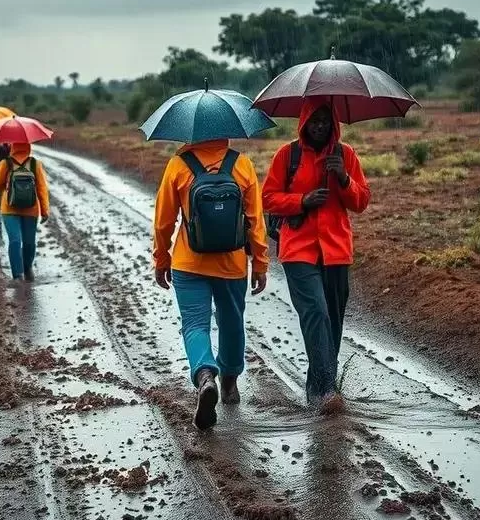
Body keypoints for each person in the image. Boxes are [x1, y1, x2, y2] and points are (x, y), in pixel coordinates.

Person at [153, 138, 268, 430]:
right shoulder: (241, 165)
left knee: (194, 325)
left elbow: (164, 221)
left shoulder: (178, 165)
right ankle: (229, 382)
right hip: (232, 265)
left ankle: (205, 375)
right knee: (231, 321)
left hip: (188, 263)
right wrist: (260, 262)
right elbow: (255, 219)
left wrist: (161, 258)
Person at [262, 100, 370, 408]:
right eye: (314, 120)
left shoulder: (346, 155)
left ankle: (318, 387)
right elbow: (268, 198)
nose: (319, 126)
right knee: (317, 314)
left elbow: (361, 201)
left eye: (325, 121)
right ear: (304, 122)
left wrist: (344, 179)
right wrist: (303, 200)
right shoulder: (288, 155)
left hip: (336, 250)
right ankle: (326, 391)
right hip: (298, 248)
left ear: (334, 124)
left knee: (333, 321)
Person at [0, 143, 50, 282]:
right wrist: (45, 210)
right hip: (31, 209)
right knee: (29, 242)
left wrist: (7, 185)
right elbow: (42, 188)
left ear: (13, 147)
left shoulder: (5, 163)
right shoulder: (36, 164)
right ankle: (27, 268)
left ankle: (18, 275)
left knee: (15, 241)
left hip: (9, 208)